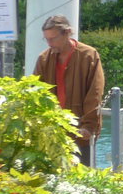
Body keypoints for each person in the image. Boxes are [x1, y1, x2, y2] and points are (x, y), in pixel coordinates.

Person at [34, 15, 104, 165]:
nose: (49, 43)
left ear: (67, 33)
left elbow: (95, 93)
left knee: (83, 179)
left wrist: (88, 126)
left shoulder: (89, 55)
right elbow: (35, 93)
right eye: (46, 39)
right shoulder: (44, 59)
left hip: (80, 132)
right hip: (53, 134)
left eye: (53, 38)